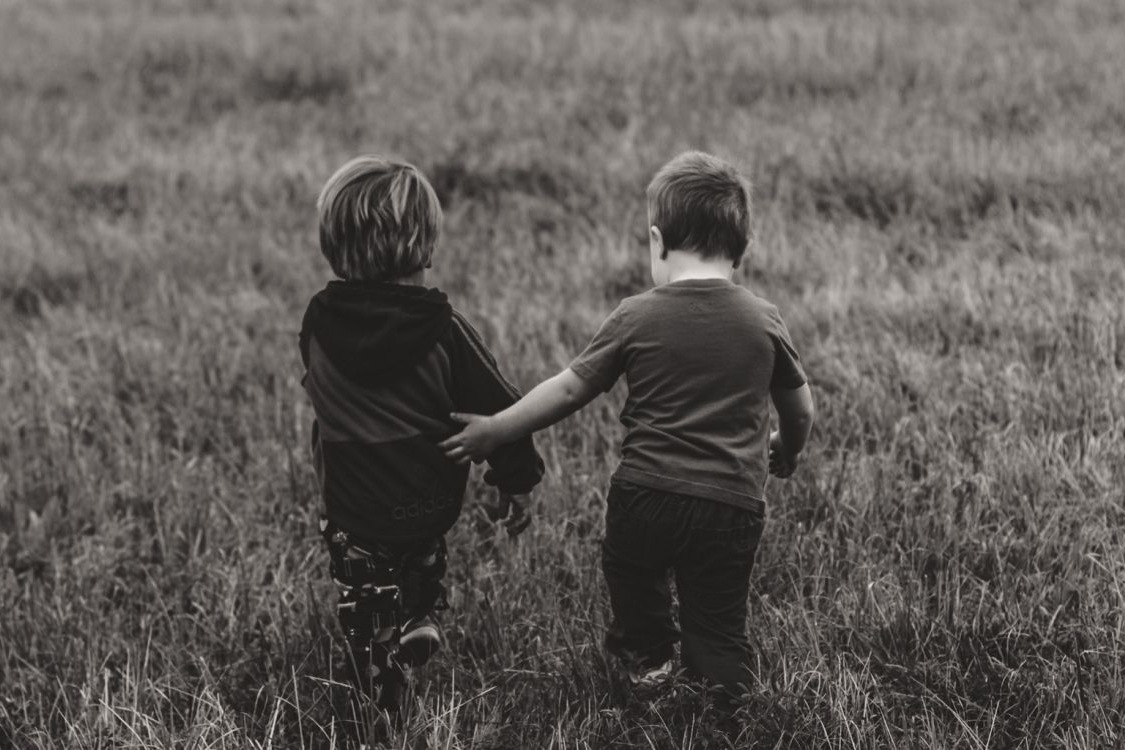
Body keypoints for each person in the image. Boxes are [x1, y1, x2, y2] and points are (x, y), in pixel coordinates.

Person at [440, 151, 815, 710]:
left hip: (646, 497)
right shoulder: (763, 319)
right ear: (744, 248)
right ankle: (723, 690)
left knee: (633, 576)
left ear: (658, 241)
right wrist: (785, 448)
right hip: (730, 505)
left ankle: (649, 660)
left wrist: (496, 427)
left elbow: (568, 389)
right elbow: (801, 407)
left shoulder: (635, 314)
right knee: (717, 614)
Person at [298, 155, 543, 718]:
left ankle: (379, 688)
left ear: (333, 246)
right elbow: (501, 406)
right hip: (427, 500)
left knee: (365, 606)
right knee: (421, 564)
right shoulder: (444, 330)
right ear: (425, 247)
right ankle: (419, 617)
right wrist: (517, 480)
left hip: (353, 509)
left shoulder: (318, 322)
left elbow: (316, 385)